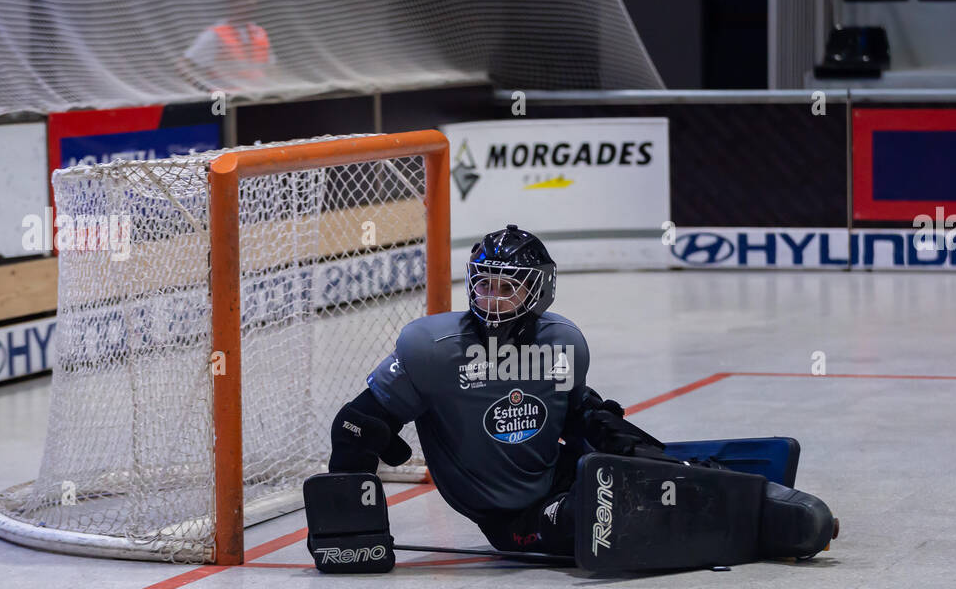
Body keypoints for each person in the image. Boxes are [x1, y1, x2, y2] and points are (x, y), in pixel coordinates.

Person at [319, 224, 837, 570]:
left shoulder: (562, 339)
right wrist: (354, 532)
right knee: (603, 512)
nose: (492, 299)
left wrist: (614, 431)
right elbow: (354, 426)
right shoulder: (431, 348)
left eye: (508, 288)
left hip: (563, 472)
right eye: (484, 286)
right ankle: (761, 523)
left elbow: (576, 411)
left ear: (538, 291)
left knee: (631, 456)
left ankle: (733, 488)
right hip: (514, 516)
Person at [177, 0, 277, 90]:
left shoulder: (260, 33)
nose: (250, 2)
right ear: (232, 0)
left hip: (257, 99)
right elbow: (184, 65)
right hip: (226, 101)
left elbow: (272, 68)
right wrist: (205, 89)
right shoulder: (216, 34)